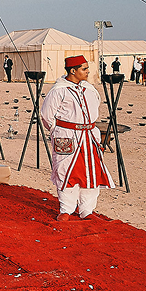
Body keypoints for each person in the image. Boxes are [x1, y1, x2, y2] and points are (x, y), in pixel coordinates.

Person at [40, 55, 114, 221]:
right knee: (66, 171)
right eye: (84, 69)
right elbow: (46, 116)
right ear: (73, 71)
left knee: (90, 172)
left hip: (89, 136)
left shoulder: (90, 89)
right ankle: (66, 209)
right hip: (67, 136)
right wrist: (58, 132)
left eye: (87, 69)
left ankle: (87, 210)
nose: (88, 72)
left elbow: (96, 107)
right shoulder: (58, 90)